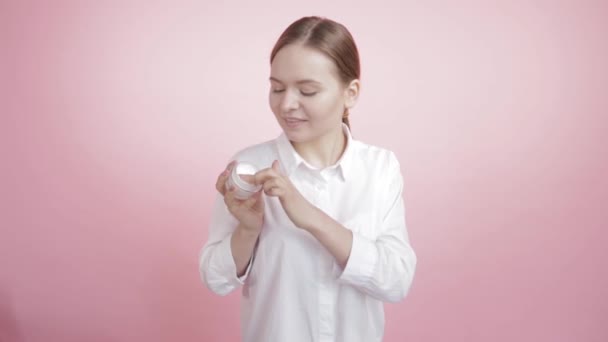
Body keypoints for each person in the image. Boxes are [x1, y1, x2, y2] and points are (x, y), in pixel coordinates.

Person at [199, 16, 417, 342]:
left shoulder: (379, 168)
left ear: (351, 93)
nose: (287, 104)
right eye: (276, 88)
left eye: (307, 90)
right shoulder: (249, 167)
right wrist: (247, 229)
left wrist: (311, 218)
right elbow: (215, 280)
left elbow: (396, 281)